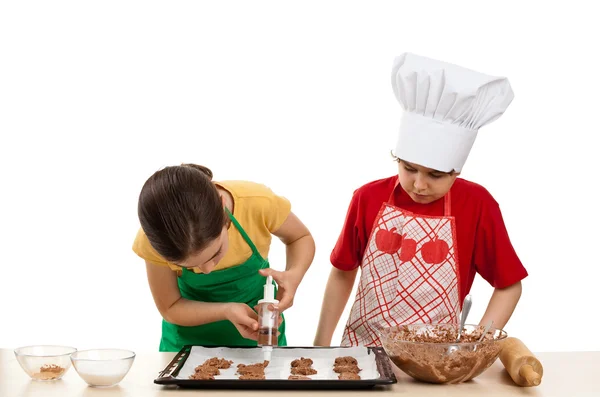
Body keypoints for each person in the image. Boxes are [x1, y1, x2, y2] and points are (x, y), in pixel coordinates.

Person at [314, 53, 528, 347]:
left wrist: (476, 345)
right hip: (361, 355)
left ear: (457, 171)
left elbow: (509, 286)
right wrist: (320, 346)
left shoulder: (477, 204)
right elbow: (342, 272)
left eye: (435, 175)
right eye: (409, 168)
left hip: (434, 360)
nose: (419, 184)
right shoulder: (367, 197)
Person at [133, 163, 315, 351]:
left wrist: (294, 274)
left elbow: (300, 238)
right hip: (186, 345)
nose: (207, 269)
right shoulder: (155, 238)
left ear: (222, 207)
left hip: (258, 337)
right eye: (189, 266)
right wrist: (226, 311)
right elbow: (171, 307)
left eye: (215, 253)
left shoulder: (256, 202)